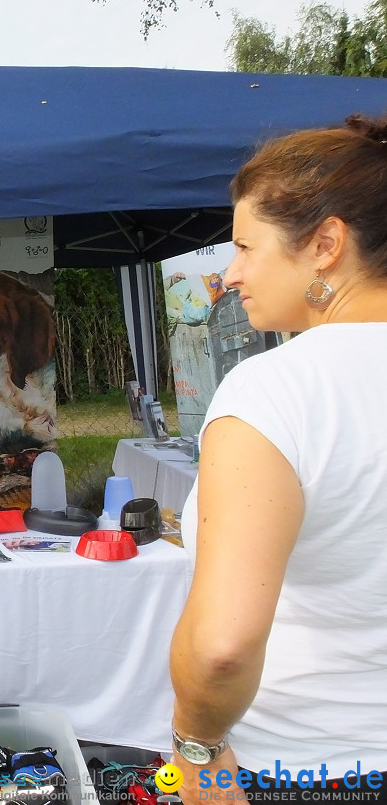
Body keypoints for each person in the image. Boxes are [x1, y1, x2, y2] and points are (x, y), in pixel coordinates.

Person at [169, 115, 387, 803]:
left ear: (326, 243)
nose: (229, 274)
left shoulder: (278, 389)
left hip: (309, 765)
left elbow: (222, 643)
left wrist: (194, 749)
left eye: (243, 247)